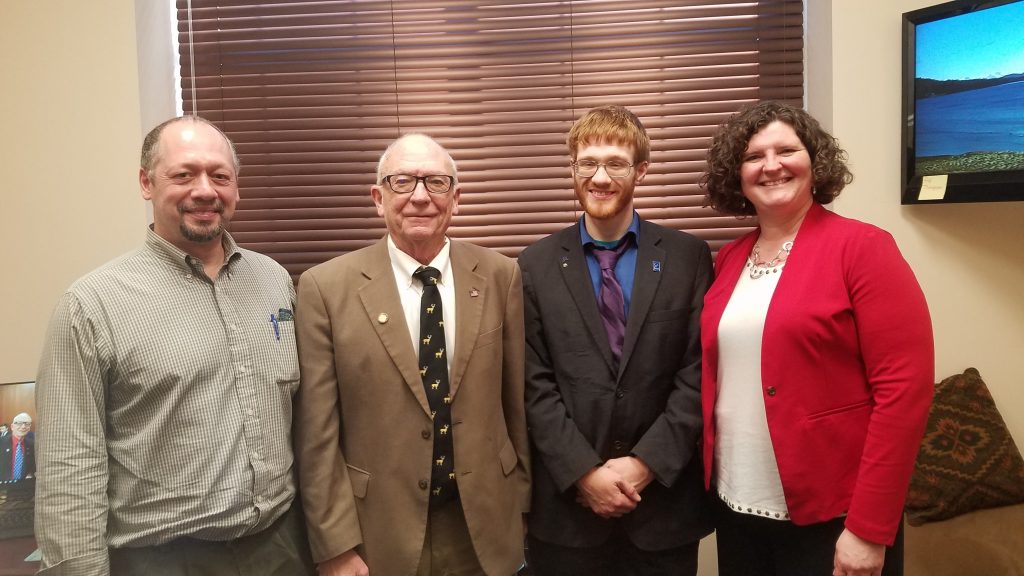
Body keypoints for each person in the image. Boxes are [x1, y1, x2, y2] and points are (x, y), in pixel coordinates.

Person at [35, 116, 314, 576]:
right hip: (163, 558)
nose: (205, 190)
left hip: (282, 547)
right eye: (184, 174)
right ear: (146, 183)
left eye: (220, 176)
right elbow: (69, 468)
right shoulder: (91, 305)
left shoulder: (273, 281)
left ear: (236, 187)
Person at [699, 101, 934, 576]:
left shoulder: (862, 248)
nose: (771, 165)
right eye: (753, 156)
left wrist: (869, 528)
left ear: (815, 161)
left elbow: (903, 392)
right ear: (736, 176)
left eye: (787, 150)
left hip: (834, 513)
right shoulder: (730, 259)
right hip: (736, 504)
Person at [294, 133, 530, 576]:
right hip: (379, 530)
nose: (420, 197)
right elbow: (317, 435)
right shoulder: (325, 288)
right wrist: (335, 545)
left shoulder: (501, 275)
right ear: (377, 198)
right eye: (402, 181)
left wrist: (521, 506)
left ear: (456, 199)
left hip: (484, 525)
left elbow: (515, 405)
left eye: (436, 182)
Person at [518, 105, 713, 576]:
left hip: (662, 510)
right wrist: (584, 473)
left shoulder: (688, 257)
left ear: (640, 170)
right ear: (573, 169)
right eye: (587, 163)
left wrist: (644, 465)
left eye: (615, 164)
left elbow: (698, 372)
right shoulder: (534, 265)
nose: (600, 178)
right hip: (568, 516)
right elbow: (532, 383)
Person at [1, 413, 35, 481]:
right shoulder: (1, 442)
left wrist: (31, 474)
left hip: (23, 485)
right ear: (12, 427)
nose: (23, 426)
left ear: (29, 428)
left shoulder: (32, 445)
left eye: (27, 424)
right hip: (3, 484)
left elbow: (33, 466)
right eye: (19, 423)